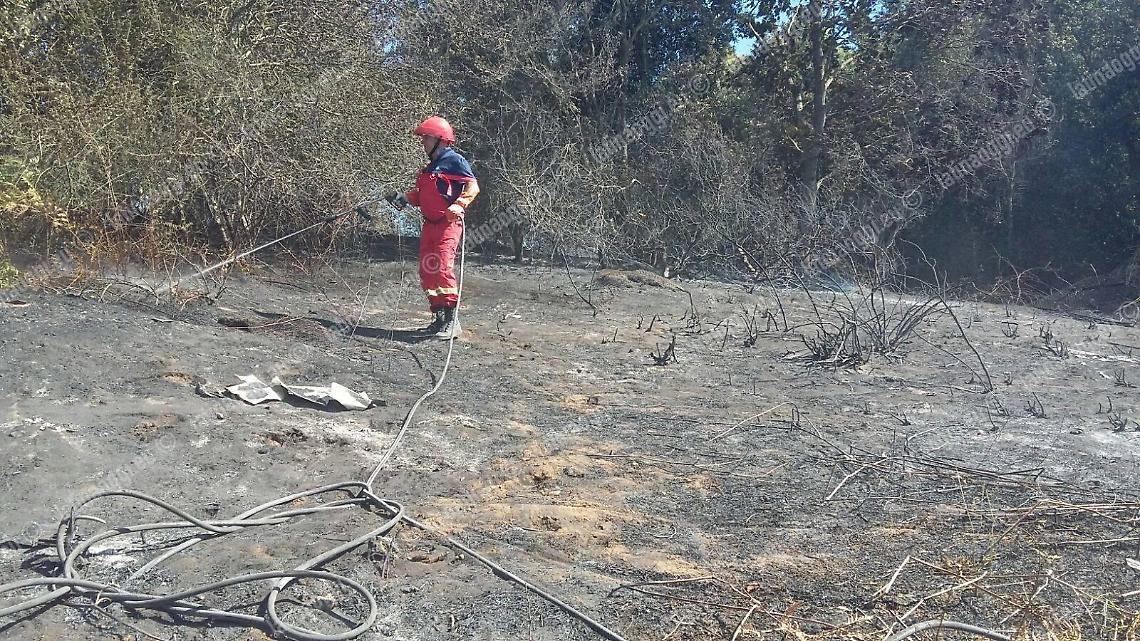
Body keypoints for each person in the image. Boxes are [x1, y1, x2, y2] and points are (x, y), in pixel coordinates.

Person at [388, 116, 479, 339]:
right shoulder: (429, 168)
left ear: (440, 139)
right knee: (427, 272)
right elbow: (422, 196)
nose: (423, 142)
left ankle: (452, 321)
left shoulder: (454, 160)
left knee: (441, 268)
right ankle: (439, 320)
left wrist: (459, 204)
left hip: (448, 225)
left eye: (426, 138)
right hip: (429, 225)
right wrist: (404, 198)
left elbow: (473, 186)